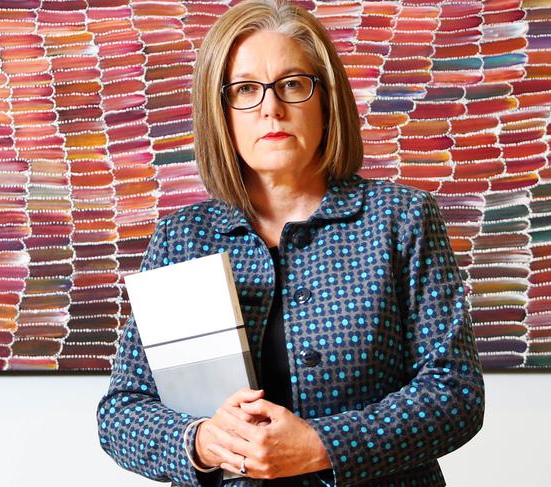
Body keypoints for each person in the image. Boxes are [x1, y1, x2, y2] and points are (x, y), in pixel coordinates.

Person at [96, 0, 485, 485]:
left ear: (327, 99)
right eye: (244, 90)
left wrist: (323, 446)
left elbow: (455, 392)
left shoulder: (401, 221)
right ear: (221, 112)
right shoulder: (182, 239)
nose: (271, 108)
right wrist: (200, 441)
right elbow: (122, 412)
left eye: (292, 84)